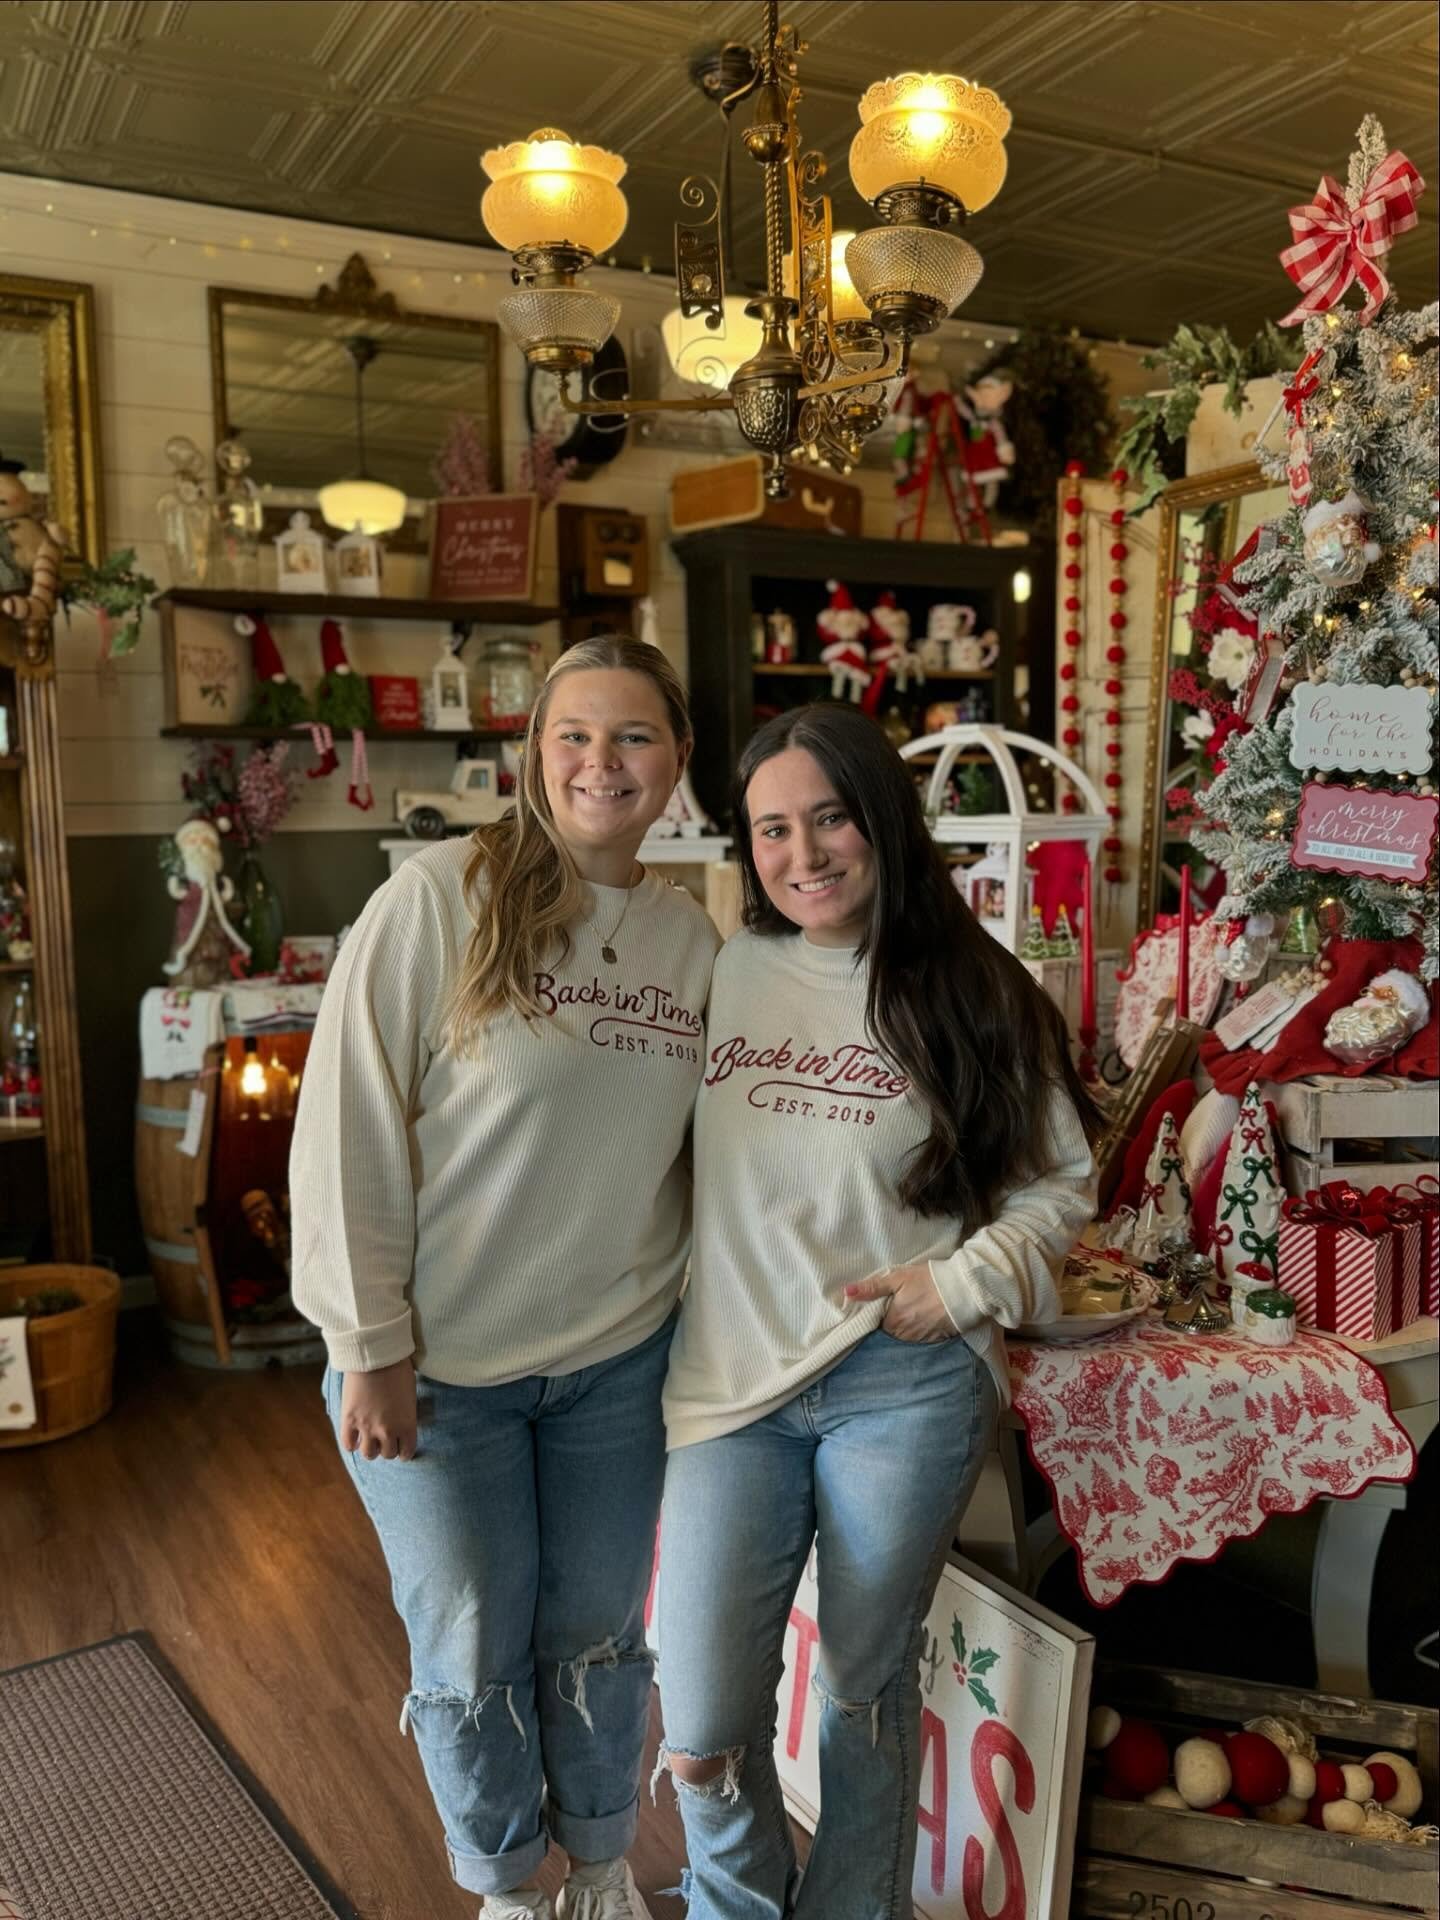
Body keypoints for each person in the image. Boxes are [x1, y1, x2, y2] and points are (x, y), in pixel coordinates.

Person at [291, 635, 721, 1920]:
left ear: (677, 763)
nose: (603, 762)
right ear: (533, 754)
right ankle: (503, 1889)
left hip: (615, 1361)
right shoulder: (439, 899)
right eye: (574, 735)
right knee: (471, 1647)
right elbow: (349, 1122)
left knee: (597, 1634)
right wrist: (368, 1340)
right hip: (442, 1370)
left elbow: (718, 1159)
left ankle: (597, 1872)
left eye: (634, 736)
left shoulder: (692, 944)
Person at [655, 703, 1102, 1920]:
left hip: (901, 1387)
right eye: (771, 831)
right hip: (730, 1386)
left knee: (861, 1685)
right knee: (697, 1724)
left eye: (830, 818)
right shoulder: (722, 968)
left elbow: (1065, 1185)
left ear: (882, 821)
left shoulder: (974, 988)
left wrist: (959, 1284)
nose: (803, 855)